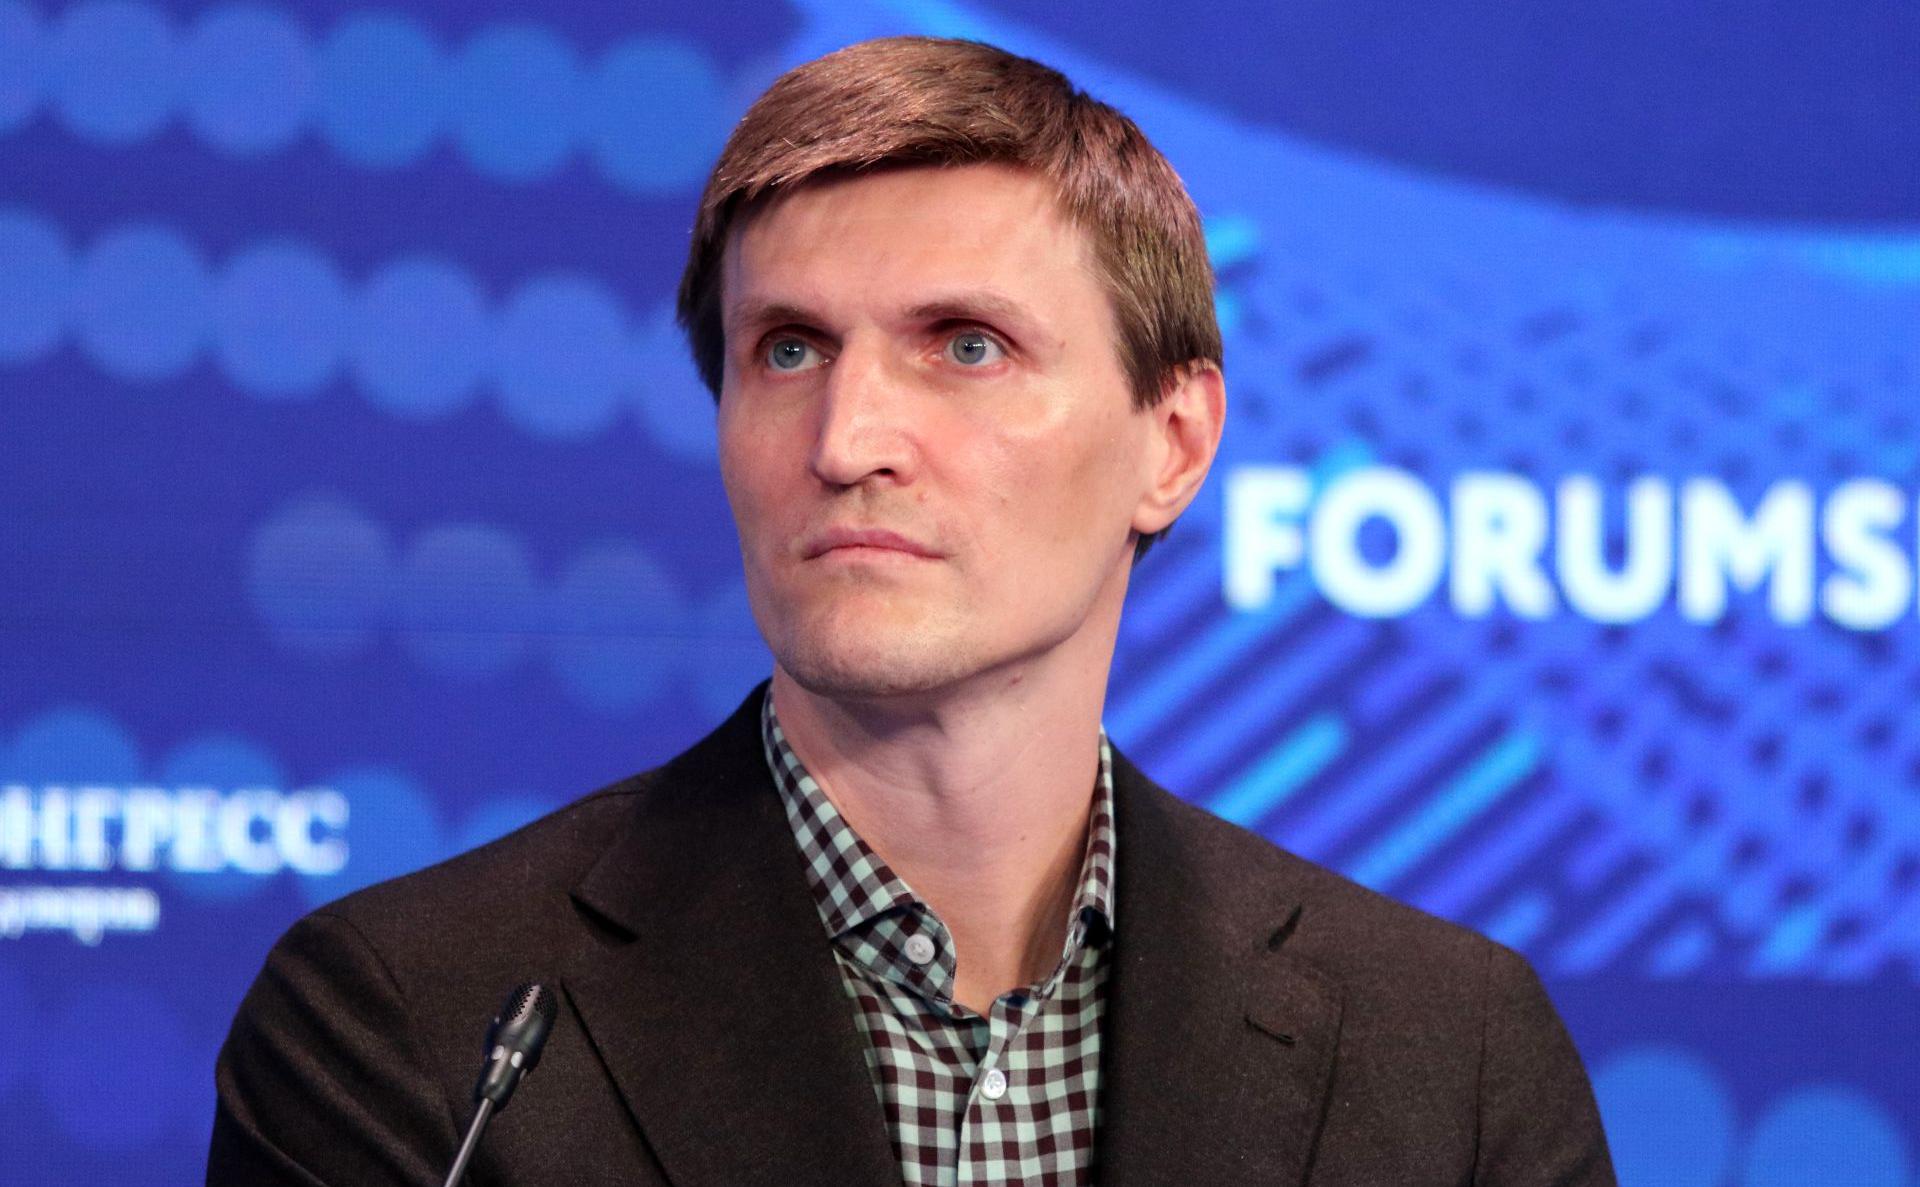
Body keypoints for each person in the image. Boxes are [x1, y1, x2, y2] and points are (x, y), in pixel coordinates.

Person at [208, 36, 1615, 1187]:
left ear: (1173, 442)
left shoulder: (1448, 1058)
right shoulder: (419, 1027)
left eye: (967, 345)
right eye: (788, 350)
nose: (847, 439)